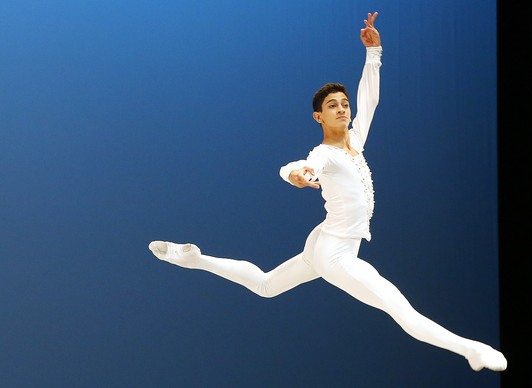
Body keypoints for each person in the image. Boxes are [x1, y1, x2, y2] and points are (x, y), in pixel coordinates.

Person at [149, 12, 507, 372]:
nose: (342, 109)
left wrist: (374, 52)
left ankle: (194, 258)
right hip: (336, 254)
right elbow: (295, 165)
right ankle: (471, 350)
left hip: (324, 240)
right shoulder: (324, 155)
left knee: (266, 286)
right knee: (400, 309)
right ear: (318, 117)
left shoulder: (356, 142)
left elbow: (371, 99)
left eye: (344, 104)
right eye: (332, 106)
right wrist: (297, 174)